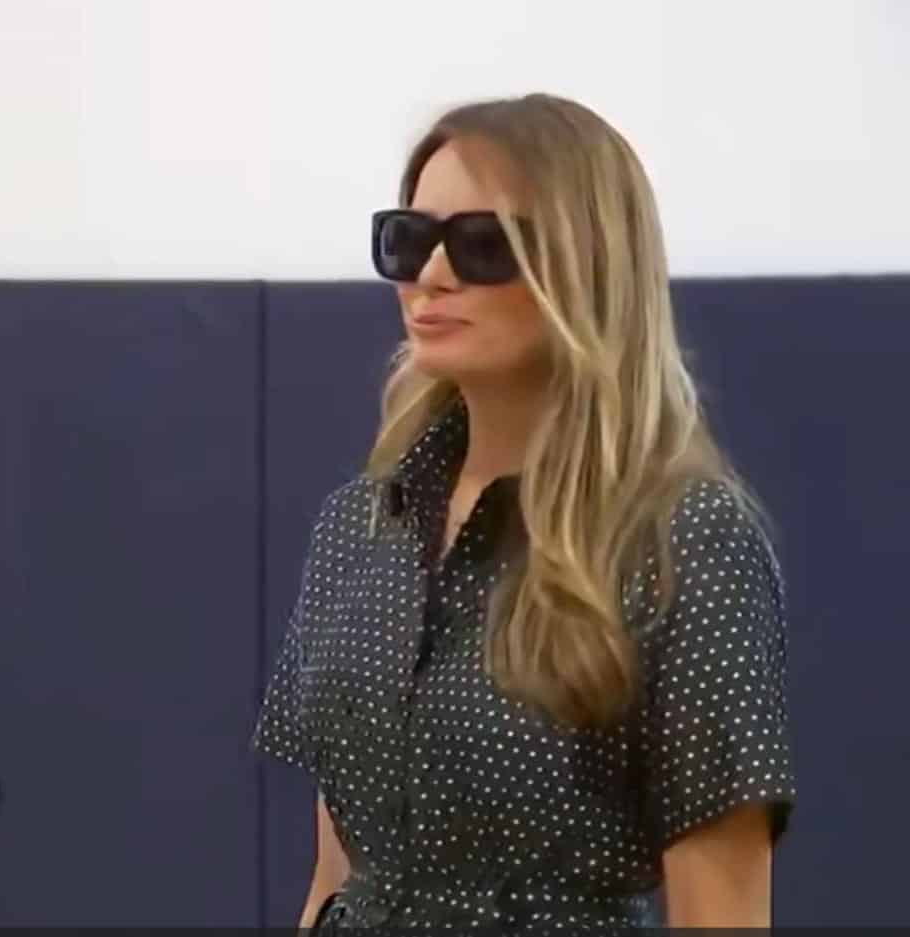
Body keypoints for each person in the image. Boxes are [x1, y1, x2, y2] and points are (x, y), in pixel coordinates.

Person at [253, 93, 797, 932]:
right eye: (409, 239)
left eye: (481, 245)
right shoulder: (360, 524)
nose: (431, 274)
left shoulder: (684, 542)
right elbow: (338, 874)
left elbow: (721, 913)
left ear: (586, 268)